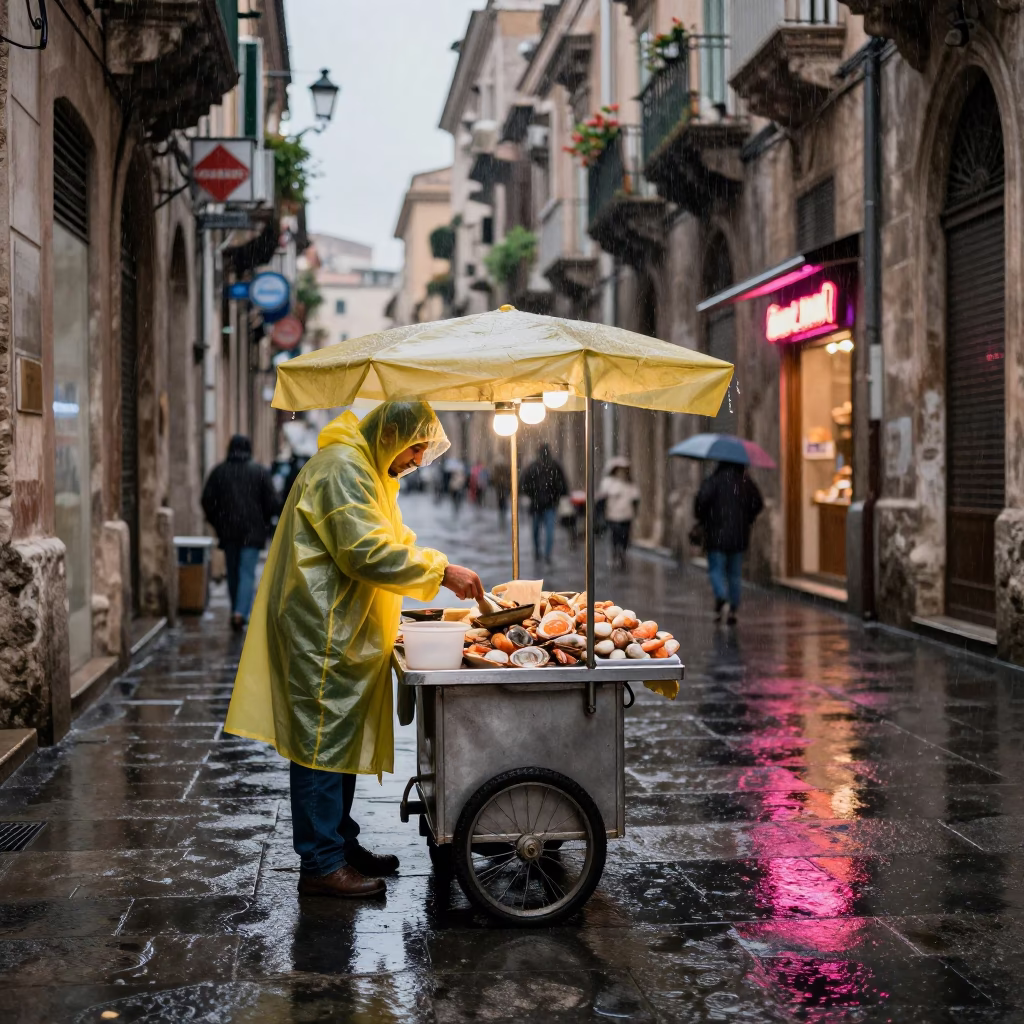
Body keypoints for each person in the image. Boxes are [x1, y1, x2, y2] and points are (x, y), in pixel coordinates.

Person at [225, 403, 484, 899]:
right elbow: (365, 550)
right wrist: (439, 572)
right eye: (415, 448)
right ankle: (321, 863)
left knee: (336, 737)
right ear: (392, 434)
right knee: (321, 742)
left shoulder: (367, 470)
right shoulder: (342, 469)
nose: (416, 460)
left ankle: (340, 843)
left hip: (342, 626)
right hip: (321, 626)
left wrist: (436, 563)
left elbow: (392, 537)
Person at [201, 435, 280, 632]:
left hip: (228, 532)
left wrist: (218, 522)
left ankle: (236, 609)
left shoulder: (219, 472)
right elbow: (273, 503)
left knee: (233, 573)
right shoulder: (259, 472)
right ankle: (240, 612)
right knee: (246, 573)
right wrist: (263, 520)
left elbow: (207, 501)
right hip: (252, 532)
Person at [694, 461, 764, 625]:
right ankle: (733, 608)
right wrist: (747, 518)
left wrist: (705, 518)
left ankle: (721, 596)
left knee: (716, 570)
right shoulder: (745, 482)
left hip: (716, 534)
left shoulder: (714, 480)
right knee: (734, 574)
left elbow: (700, 503)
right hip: (739, 535)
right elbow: (758, 503)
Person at [520, 443, 568, 564]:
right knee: (545, 530)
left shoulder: (537, 466)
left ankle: (542, 553)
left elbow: (523, 483)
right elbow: (563, 484)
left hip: (544, 504)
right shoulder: (549, 466)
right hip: (544, 504)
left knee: (541, 530)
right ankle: (543, 553)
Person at [598, 459, 640, 571]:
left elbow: (635, 499)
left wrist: (635, 512)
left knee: (625, 536)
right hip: (613, 515)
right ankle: (616, 553)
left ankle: (622, 553)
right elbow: (602, 499)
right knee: (615, 535)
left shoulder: (630, 484)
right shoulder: (608, 483)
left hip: (626, 515)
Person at [492, 459, 511, 527]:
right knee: (502, 503)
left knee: (502, 503)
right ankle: (502, 516)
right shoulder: (502, 471)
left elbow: (494, 480)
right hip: (502, 489)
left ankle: (502, 517)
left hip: (501, 489)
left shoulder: (498, 471)